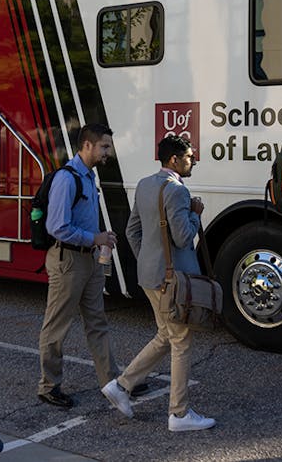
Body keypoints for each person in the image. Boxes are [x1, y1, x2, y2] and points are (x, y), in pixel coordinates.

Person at [101, 135, 216, 432]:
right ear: (174, 160)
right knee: (181, 341)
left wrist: (146, 261)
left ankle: (122, 386)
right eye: (189, 157)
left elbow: (131, 230)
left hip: (152, 277)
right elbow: (182, 237)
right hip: (172, 279)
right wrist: (195, 212)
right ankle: (179, 414)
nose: (193, 161)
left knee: (166, 335)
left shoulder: (144, 184)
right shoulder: (177, 191)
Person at [37, 123, 121, 409]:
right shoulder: (67, 178)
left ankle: (111, 383)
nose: (108, 152)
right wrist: (94, 237)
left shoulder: (88, 177)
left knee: (97, 322)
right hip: (68, 260)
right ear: (87, 145)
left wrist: (102, 238)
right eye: (104, 147)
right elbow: (57, 226)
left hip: (90, 258)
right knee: (57, 326)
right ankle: (49, 387)